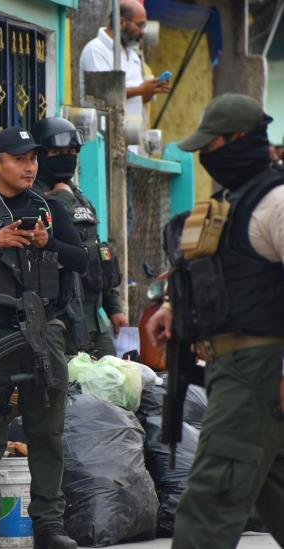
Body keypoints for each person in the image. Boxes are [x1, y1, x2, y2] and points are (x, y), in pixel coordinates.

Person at [147, 94, 284, 548]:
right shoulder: (226, 203)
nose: (206, 156)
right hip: (230, 368)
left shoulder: (276, 201)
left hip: (259, 370)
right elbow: (220, 278)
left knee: (210, 497)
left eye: (214, 143)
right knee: (272, 488)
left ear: (242, 139)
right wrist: (174, 310)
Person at [0, 127, 88, 549]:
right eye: (19, 159)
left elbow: (83, 261)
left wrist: (47, 240)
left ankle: (49, 525)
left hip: (43, 331)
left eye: (33, 157)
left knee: (47, 432)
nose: (30, 165)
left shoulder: (51, 208)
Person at [31, 117, 128, 358]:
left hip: (95, 318)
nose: (67, 156)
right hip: (62, 317)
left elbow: (97, 254)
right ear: (41, 155)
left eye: (72, 151)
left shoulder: (79, 196)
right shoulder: (34, 198)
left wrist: (113, 308)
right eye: (57, 152)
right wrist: (63, 200)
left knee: (115, 383)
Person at [78, 0, 170, 145]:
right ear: (121, 22)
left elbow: (137, 99)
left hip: (131, 142)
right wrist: (141, 89)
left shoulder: (132, 54)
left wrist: (151, 89)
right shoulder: (96, 49)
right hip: (105, 142)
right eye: (140, 25)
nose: (142, 31)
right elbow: (103, 96)